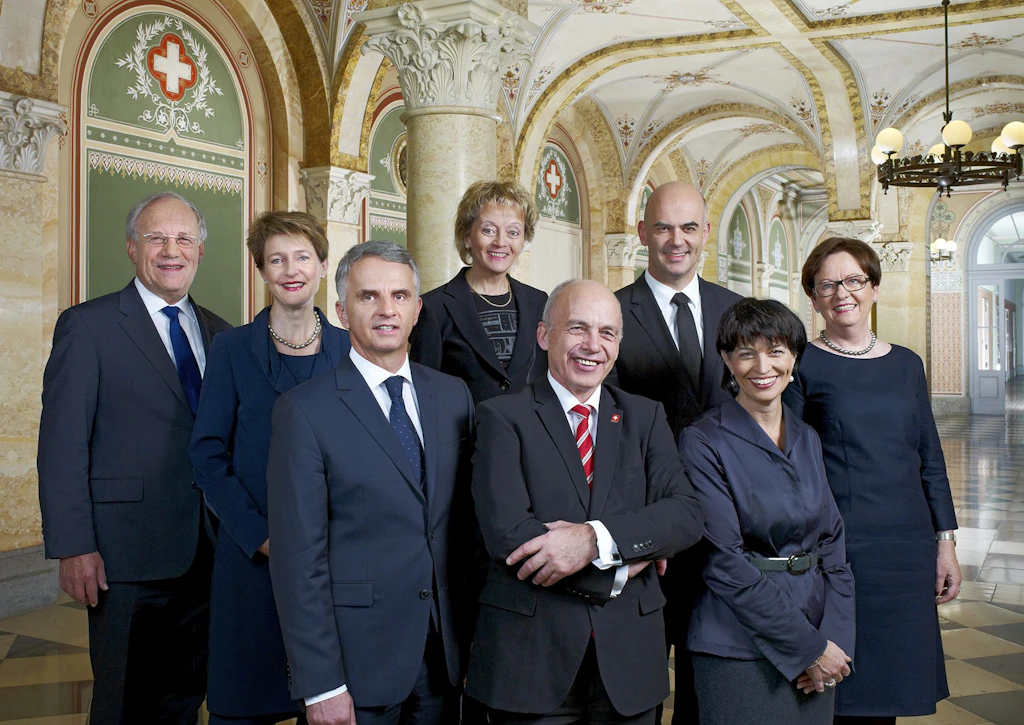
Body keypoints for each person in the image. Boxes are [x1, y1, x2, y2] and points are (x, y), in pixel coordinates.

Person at [466, 279, 705, 724]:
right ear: (544, 335)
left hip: (630, 664)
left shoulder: (645, 416)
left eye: (607, 333)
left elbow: (686, 515)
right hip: (532, 662)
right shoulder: (501, 417)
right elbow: (510, 535)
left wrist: (596, 542)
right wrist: (625, 563)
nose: (592, 345)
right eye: (577, 328)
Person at [37, 191, 231, 724]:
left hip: (208, 549)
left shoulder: (222, 334)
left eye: (184, 238)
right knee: (122, 702)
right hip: (123, 554)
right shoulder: (89, 326)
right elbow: (61, 445)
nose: (172, 250)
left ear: (199, 250)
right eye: (157, 238)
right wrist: (74, 545)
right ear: (131, 247)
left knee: (183, 700)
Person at [267, 241, 476, 725]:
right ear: (341, 310)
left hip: (443, 660)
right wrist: (321, 684)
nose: (387, 310)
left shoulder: (452, 396)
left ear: (418, 308)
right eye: (369, 297)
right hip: (356, 668)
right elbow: (299, 562)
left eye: (401, 296)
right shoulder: (303, 411)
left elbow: (466, 530)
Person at [784, 237, 961, 724]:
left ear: (874, 288)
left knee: (889, 694)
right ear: (814, 298)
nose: (843, 293)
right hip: (842, 550)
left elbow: (929, 456)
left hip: (906, 550)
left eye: (854, 281)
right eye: (827, 284)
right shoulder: (801, 365)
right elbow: (790, 464)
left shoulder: (907, 364)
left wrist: (944, 542)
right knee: (838, 692)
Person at [188, 211, 351, 724]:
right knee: (244, 705)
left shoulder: (352, 351)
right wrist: (257, 535)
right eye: (276, 259)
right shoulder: (231, 348)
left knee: (329, 703)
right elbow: (207, 455)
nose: (290, 269)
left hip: (335, 558)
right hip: (252, 558)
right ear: (261, 270)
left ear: (323, 265)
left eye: (302, 256)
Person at [680, 298, 855, 725]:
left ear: (793, 358)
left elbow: (832, 543)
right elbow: (723, 562)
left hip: (819, 637)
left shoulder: (807, 436)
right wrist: (807, 647)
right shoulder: (702, 441)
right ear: (727, 360)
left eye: (775, 350)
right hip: (736, 641)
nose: (763, 366)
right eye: (746, 352)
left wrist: (834, 641)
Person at [610, 181, 741, 721]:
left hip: (725, 527)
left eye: (689, 227)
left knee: (709, 679)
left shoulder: (737, 311)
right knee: (637, 682)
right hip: (648, 530)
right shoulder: (613, 313)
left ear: (705, 234)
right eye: (663, 227)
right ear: (642, 232)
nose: (676, 240)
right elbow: (604, 433)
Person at [410, 180, 547, 402]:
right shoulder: (434, 308)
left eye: (513, 232)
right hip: (466, 435)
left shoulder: (539, 302)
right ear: (467, 236)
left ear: (523, 240)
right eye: (488, 230)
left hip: (528, 435)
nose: (500, 242)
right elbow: (424, 395)